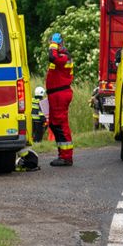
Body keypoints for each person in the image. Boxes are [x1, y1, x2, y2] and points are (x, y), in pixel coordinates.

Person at [46, 33, 75, 167]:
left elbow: (52, 57)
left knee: (60, 125)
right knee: (53, 124)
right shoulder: (61, 56)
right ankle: (62, 154)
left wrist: (54, 44)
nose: (50, 46)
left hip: (60, 94)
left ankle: (66, 157)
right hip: (56, 94)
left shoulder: (63, 57)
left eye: (52, 43)